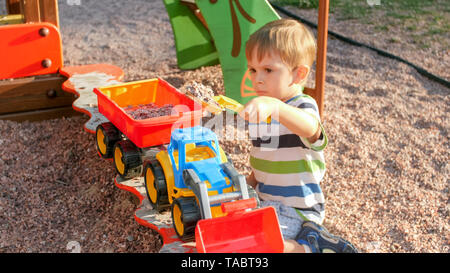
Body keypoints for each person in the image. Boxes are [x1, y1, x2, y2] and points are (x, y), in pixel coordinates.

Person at [239, 19, 357, 253]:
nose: (257, 78)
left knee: (264, 247)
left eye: (268, 70)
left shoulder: (301, 106)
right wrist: (246, 184)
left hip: (297, 209)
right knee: (232, 229)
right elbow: (266, 160)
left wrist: (276, 108)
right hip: (266, 201)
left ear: (298, 74)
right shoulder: (266, 109)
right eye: (253, 69)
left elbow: (313, 130)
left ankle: (311, 245)